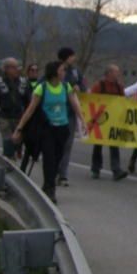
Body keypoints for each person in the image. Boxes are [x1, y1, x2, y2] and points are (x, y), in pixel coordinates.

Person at [12, 60, 85, 203]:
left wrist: (82, 120)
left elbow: (74, 103)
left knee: (58, 158)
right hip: (47, 128)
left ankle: (48, 185)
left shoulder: (66, 86)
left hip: (62, 128)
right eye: (62, 70)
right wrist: (19, 128)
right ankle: (50, 188)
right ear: (55, 72)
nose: (64, 73)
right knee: (49, 159)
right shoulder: (42, 88)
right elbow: (30, 110)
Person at [89, 64, 129, 181]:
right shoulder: (99, 86)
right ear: (109, 73)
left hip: (114, 120)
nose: (118, 74)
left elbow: (123, 102)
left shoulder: (119, 87)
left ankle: (116, 170)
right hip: (100, 120)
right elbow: (91, 101)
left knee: (114, 145)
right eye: (116, 72)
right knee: (98, 145)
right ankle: (95, 169)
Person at [0, 57, 31, 160]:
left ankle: (15, 155)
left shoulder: (23, 82)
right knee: (7, 141)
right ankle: (8, 161)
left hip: (19, 117)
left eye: (17, 67)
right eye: (14, 67)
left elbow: (29, 102)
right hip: (4, 117)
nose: (17, 70)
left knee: (17, 142)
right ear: (6, 69)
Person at [56, 47, 86, 187]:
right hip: (56, 112)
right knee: (57, 144)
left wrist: (80, 88)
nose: (74, 58)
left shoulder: (75, 71)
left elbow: (83, 86)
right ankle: (54, 170)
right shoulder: (55, 69)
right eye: (72, 56)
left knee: (68, 144)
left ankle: (63, 175)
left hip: (71, 112)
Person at [20, 62, 42, 173]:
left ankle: (33, 157)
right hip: (26, 117)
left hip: (37, 119)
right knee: (27, 143)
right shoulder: (24, 84)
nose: (34, 72)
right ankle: (22, 168)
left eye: (36, 70)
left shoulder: (41, 85)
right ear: (28, 72)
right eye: (32, 70)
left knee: (33, 145)